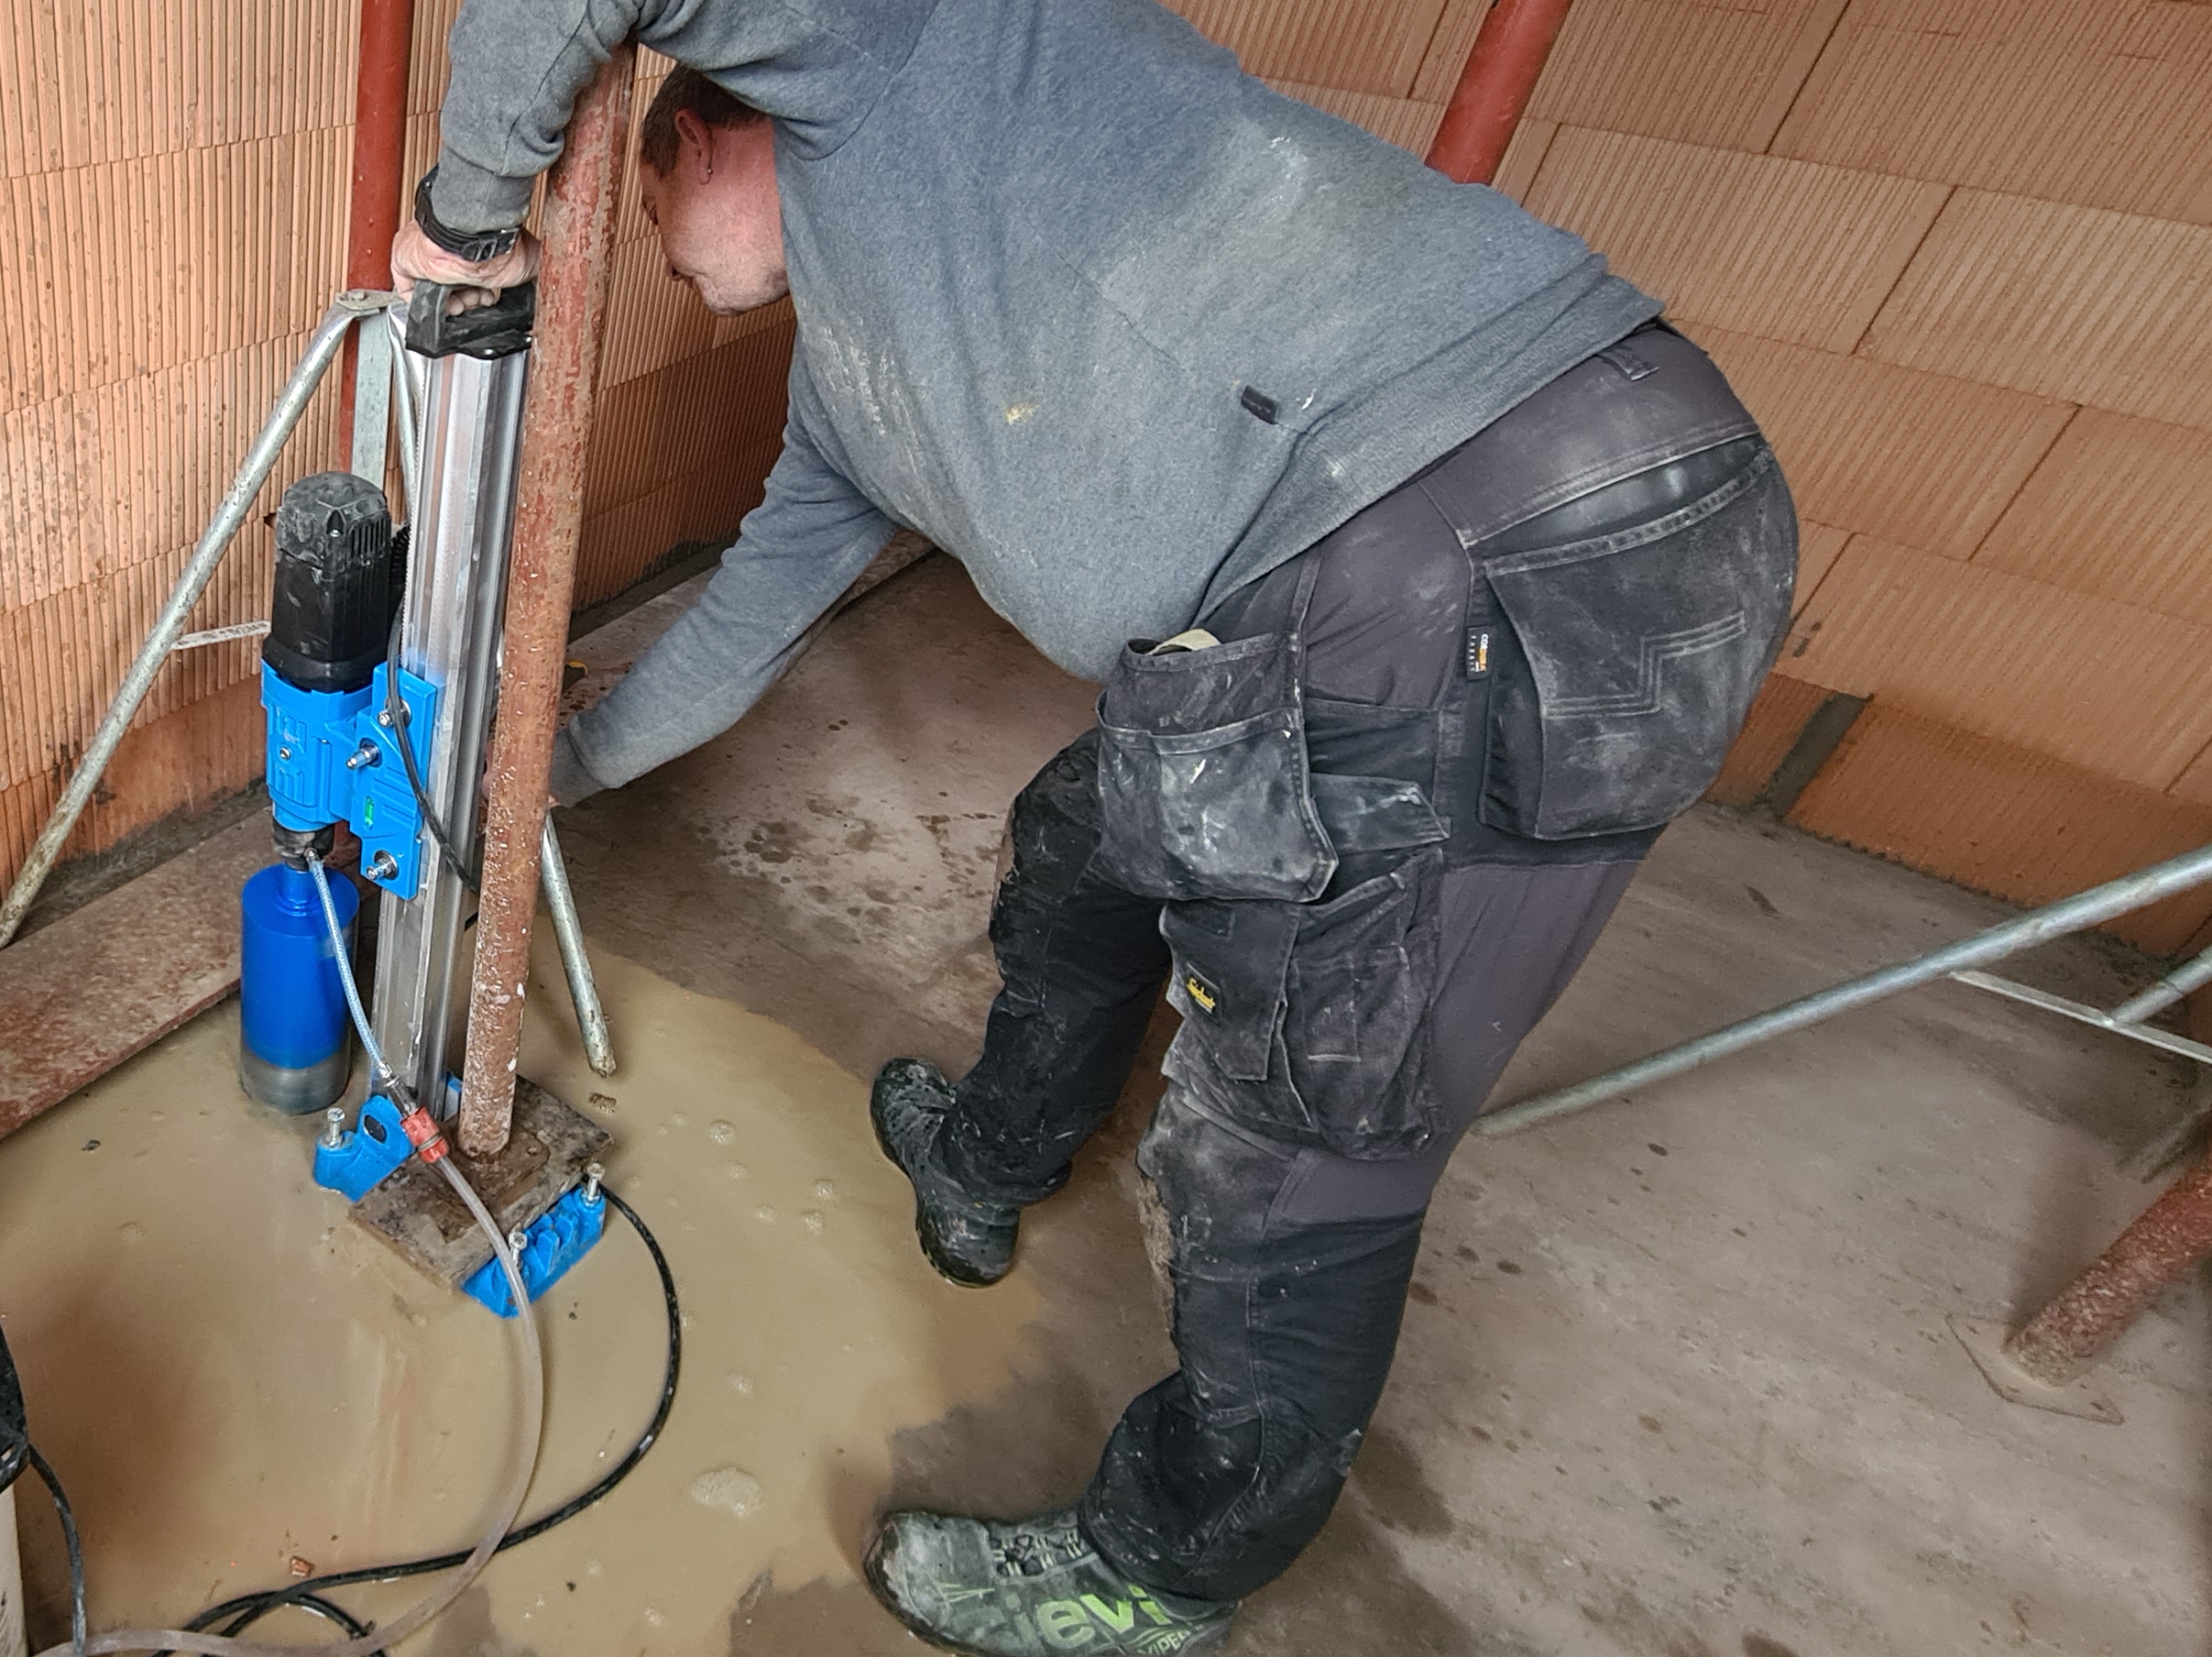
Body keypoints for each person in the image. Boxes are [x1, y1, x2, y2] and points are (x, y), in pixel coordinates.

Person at [393, 4, 1797, 1653]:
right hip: (1358, 580)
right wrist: (539, 777)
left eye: (649, 212)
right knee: (1090, 841)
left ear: (708, 130)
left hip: (1477, 531)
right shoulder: (850, 389)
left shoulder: (893, 55)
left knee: (1293, 1133)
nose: (659, 259)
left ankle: (1167, 1569)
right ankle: (990, 1153)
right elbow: (732, 638)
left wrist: (465, 218)